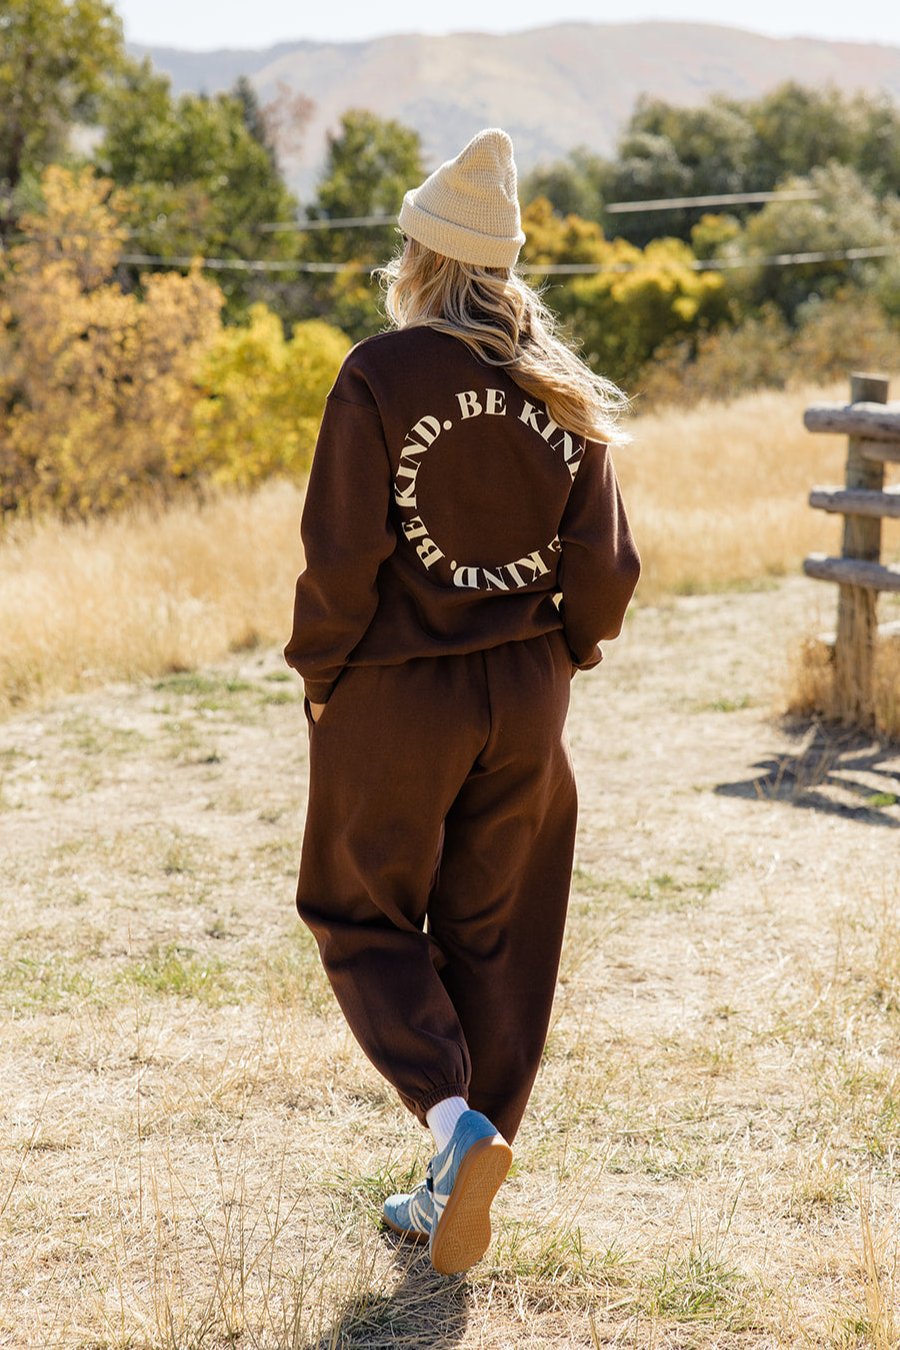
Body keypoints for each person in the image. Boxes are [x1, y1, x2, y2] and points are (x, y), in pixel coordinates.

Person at [284, 127, 640, 1276]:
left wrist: (321, 675)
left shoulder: (381, 374)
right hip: (526, 694)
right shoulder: (562, 388)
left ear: (420, 259)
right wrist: (564, 656)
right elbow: (609, 569)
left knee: (360, 914)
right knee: (501, 935)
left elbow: (340, 557)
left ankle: (454, 1128)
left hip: (397, 696)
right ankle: (454, 1188)